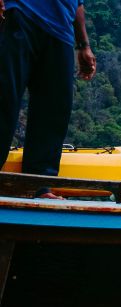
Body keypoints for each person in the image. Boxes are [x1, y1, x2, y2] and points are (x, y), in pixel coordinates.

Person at [0, 0, 96, 176]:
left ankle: (39, 183)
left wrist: (84, 45)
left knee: (53, 111)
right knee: (4, 98)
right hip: (21, 15)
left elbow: (78, 3)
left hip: (61, 33)